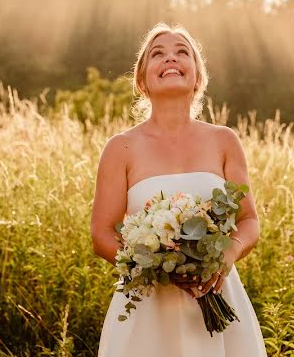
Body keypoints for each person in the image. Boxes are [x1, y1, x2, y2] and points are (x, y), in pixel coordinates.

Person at [91, 22, 267, 356]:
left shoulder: (224, 141)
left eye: (182, 52)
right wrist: (156, 268)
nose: (170, 58)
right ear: (142, 80)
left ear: (197, 77)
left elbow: (249, 221)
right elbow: (101, 235)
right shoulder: (121, 148)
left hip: (217, 294)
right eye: (157, 54)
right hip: (146, 305)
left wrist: (226, 256)